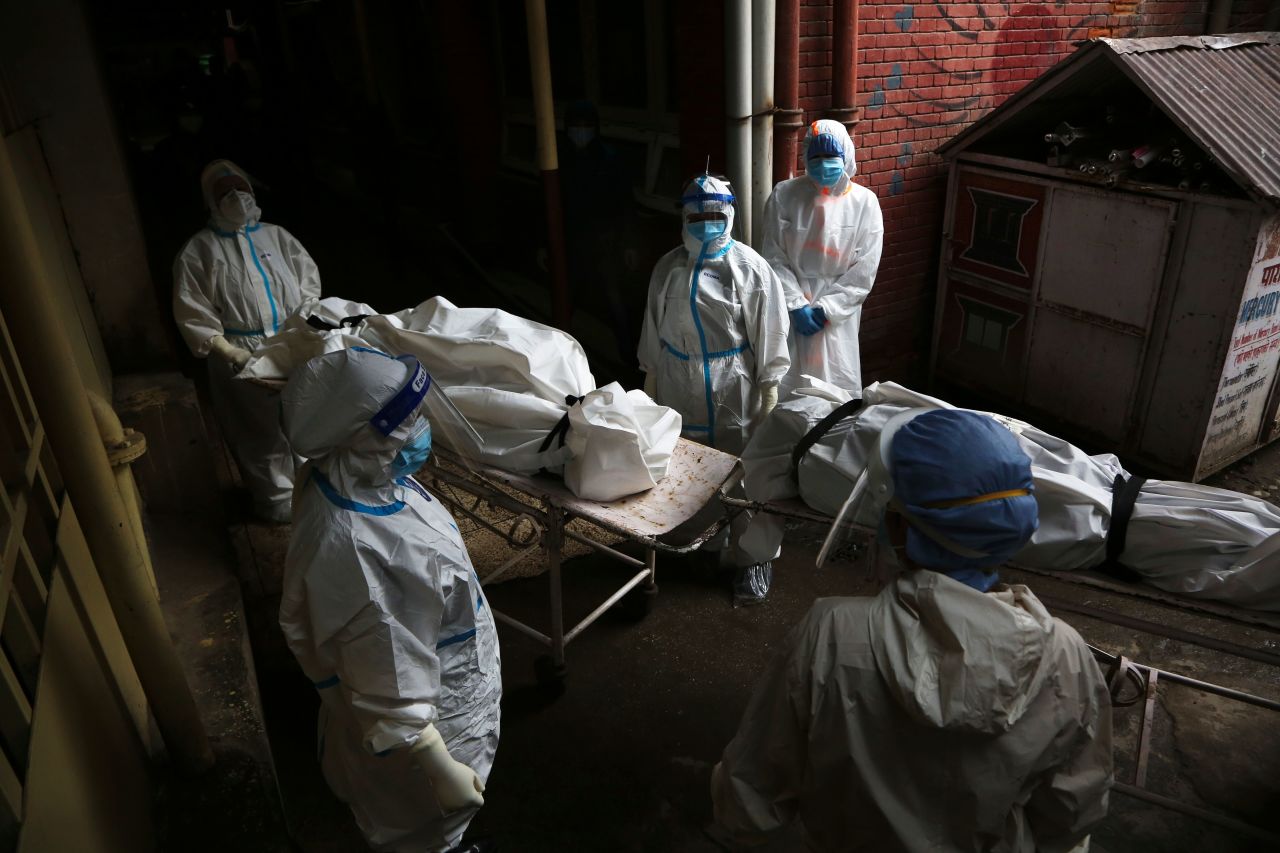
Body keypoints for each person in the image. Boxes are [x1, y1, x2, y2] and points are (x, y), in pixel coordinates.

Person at [711, 408, 1113, 851]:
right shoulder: (1066, 655)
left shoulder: (830, 635)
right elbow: (1072, 815)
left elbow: (749, 796)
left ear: (900, 528)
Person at [279, 348, 501, 853]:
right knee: (420, 828)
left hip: (443, 671)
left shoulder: (352, 478)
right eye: (407, 423)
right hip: (433, 724)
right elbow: (389, 682)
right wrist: (439, 767)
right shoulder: (361, 554)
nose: (420, 431)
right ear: (357, 437)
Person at [638, 174, 790, 604]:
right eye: (696, 215)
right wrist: (650, 377)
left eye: (714, 214)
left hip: (733, 386)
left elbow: (771, 332)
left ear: (730, 215)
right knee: (686, 471)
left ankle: (753, 558)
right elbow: (652, 325)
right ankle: (699, 544)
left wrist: (769, 389)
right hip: (677, 383)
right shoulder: (668, 268)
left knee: (743, 476)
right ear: (684, 216)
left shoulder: (750, 269)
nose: (706, 223)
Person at [173, 159, 321, 522]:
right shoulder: (199, 251)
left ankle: (316, 490)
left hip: (290, 341)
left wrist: (307, 327)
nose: (235, 196)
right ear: (210, 200)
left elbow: (308, 285)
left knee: (305, 417)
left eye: (241, 188)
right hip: (241, 351)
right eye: (225, 192)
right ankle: (277, 503)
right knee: (258, 430)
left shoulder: (278, 237)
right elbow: (192, 309)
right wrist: (227, 350)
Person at [761, 119, 883, 395]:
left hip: (838, 315)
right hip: (792, 309)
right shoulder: (785, 194)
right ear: (805, 156)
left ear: (846, 156)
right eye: (816, 156)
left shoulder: (864, 202)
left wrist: (828, 309)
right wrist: (795, 304)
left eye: (831, 156)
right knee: (789, 386)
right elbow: (773, 255)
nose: (823, 163)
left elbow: (864, 269)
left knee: (835, 388)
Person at [560, 100, 639, 368]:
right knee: (565, 297)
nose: (580, 132)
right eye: (575, 126)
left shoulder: (609, 158)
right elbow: (549, 202)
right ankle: (560, 355)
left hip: (605, 242)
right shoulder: (560, 159)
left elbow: (626, 203)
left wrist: (628, 244)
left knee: (615, 299)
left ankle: (630, 360)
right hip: (572, 241)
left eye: (586, 126)